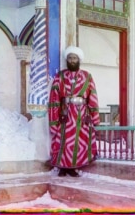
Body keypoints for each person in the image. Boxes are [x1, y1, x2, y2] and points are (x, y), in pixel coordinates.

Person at [48, 46, 100, 177]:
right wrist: (54, 118)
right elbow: (54, 97)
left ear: (79, 60)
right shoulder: (60, 76)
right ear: (67, 59)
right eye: (70, 58)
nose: (72, 60)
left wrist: (94, 117)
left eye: (74, 58)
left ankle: (73, 167)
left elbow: (92, 97)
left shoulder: (87, 76)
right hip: (65, 113)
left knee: (79, 140)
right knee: (63, 139)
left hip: (82, 115)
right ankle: (62, 167)